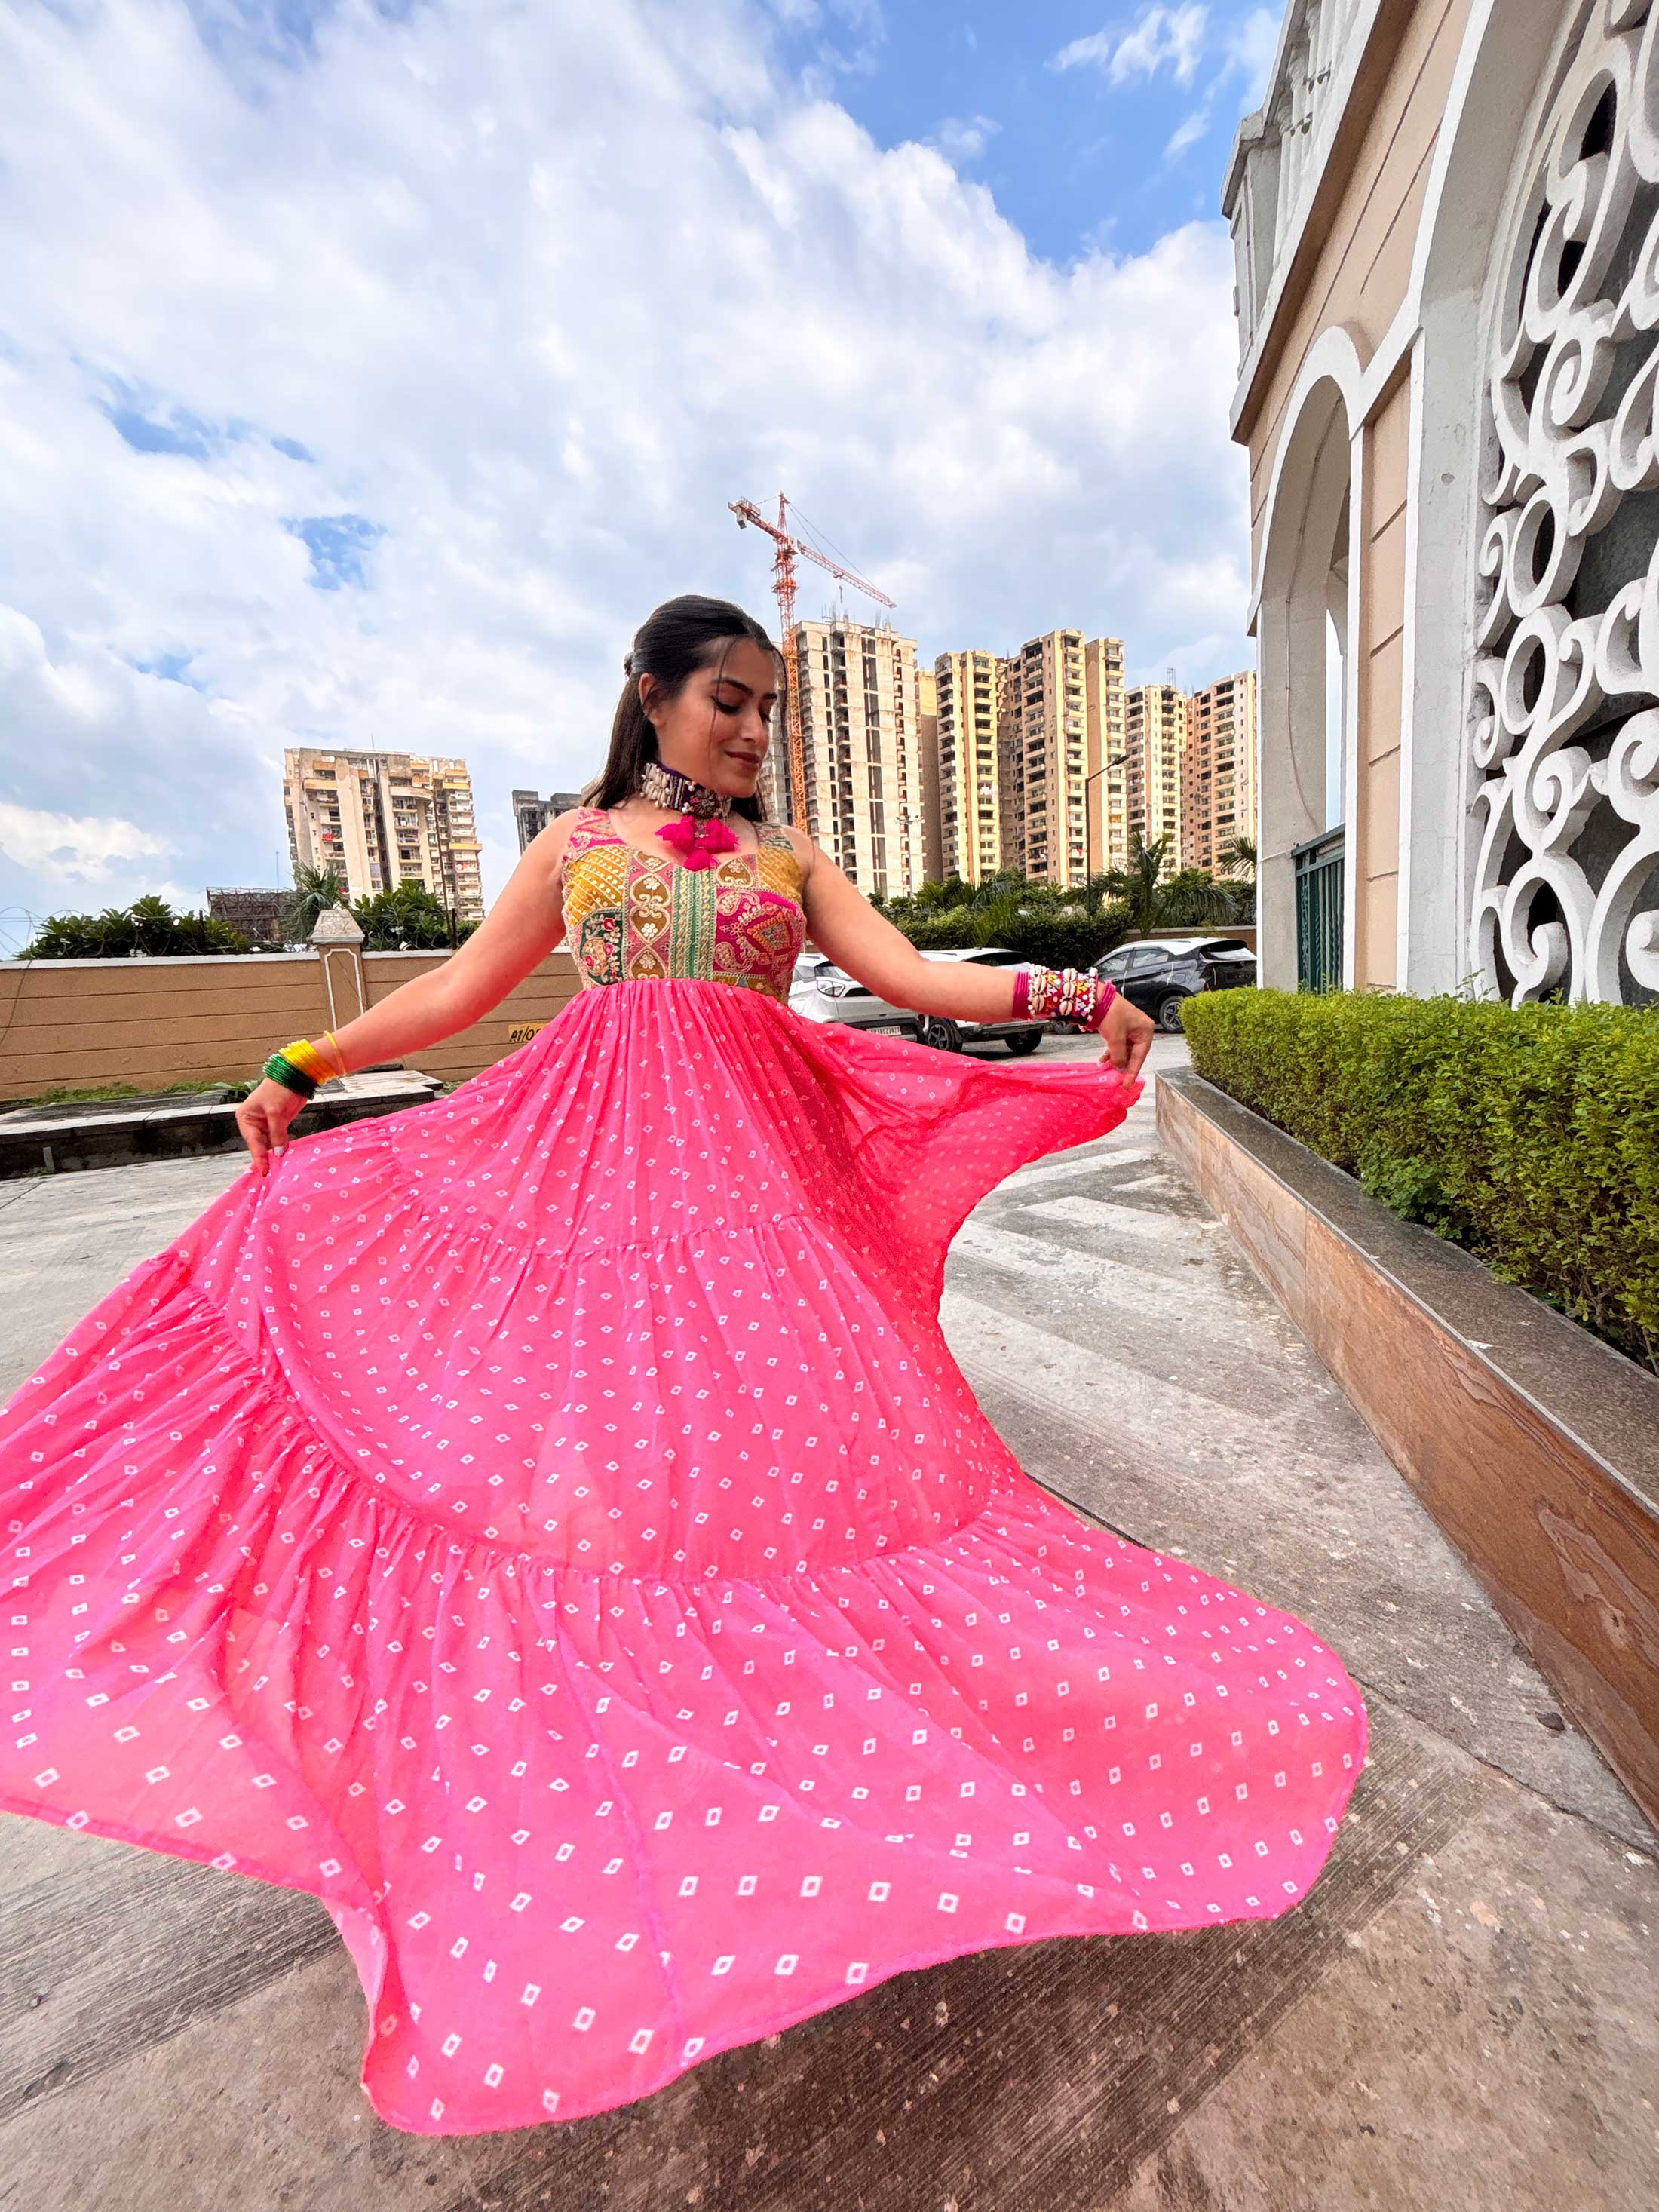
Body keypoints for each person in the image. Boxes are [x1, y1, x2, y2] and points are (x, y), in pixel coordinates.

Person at [0, 594, 1367, 2137]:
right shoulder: (577, 844)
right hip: (591, 1188)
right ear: (648, 695)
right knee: (595, 1486)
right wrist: (298, 1066)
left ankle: (812, 1759)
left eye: (770, 708)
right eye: (729, 697)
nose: (752, 729)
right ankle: (610, 1780)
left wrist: (1076, 994)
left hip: (760, 1200)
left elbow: (917, 981)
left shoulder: (788, 863)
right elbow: (457, 995)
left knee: (807, 1481)